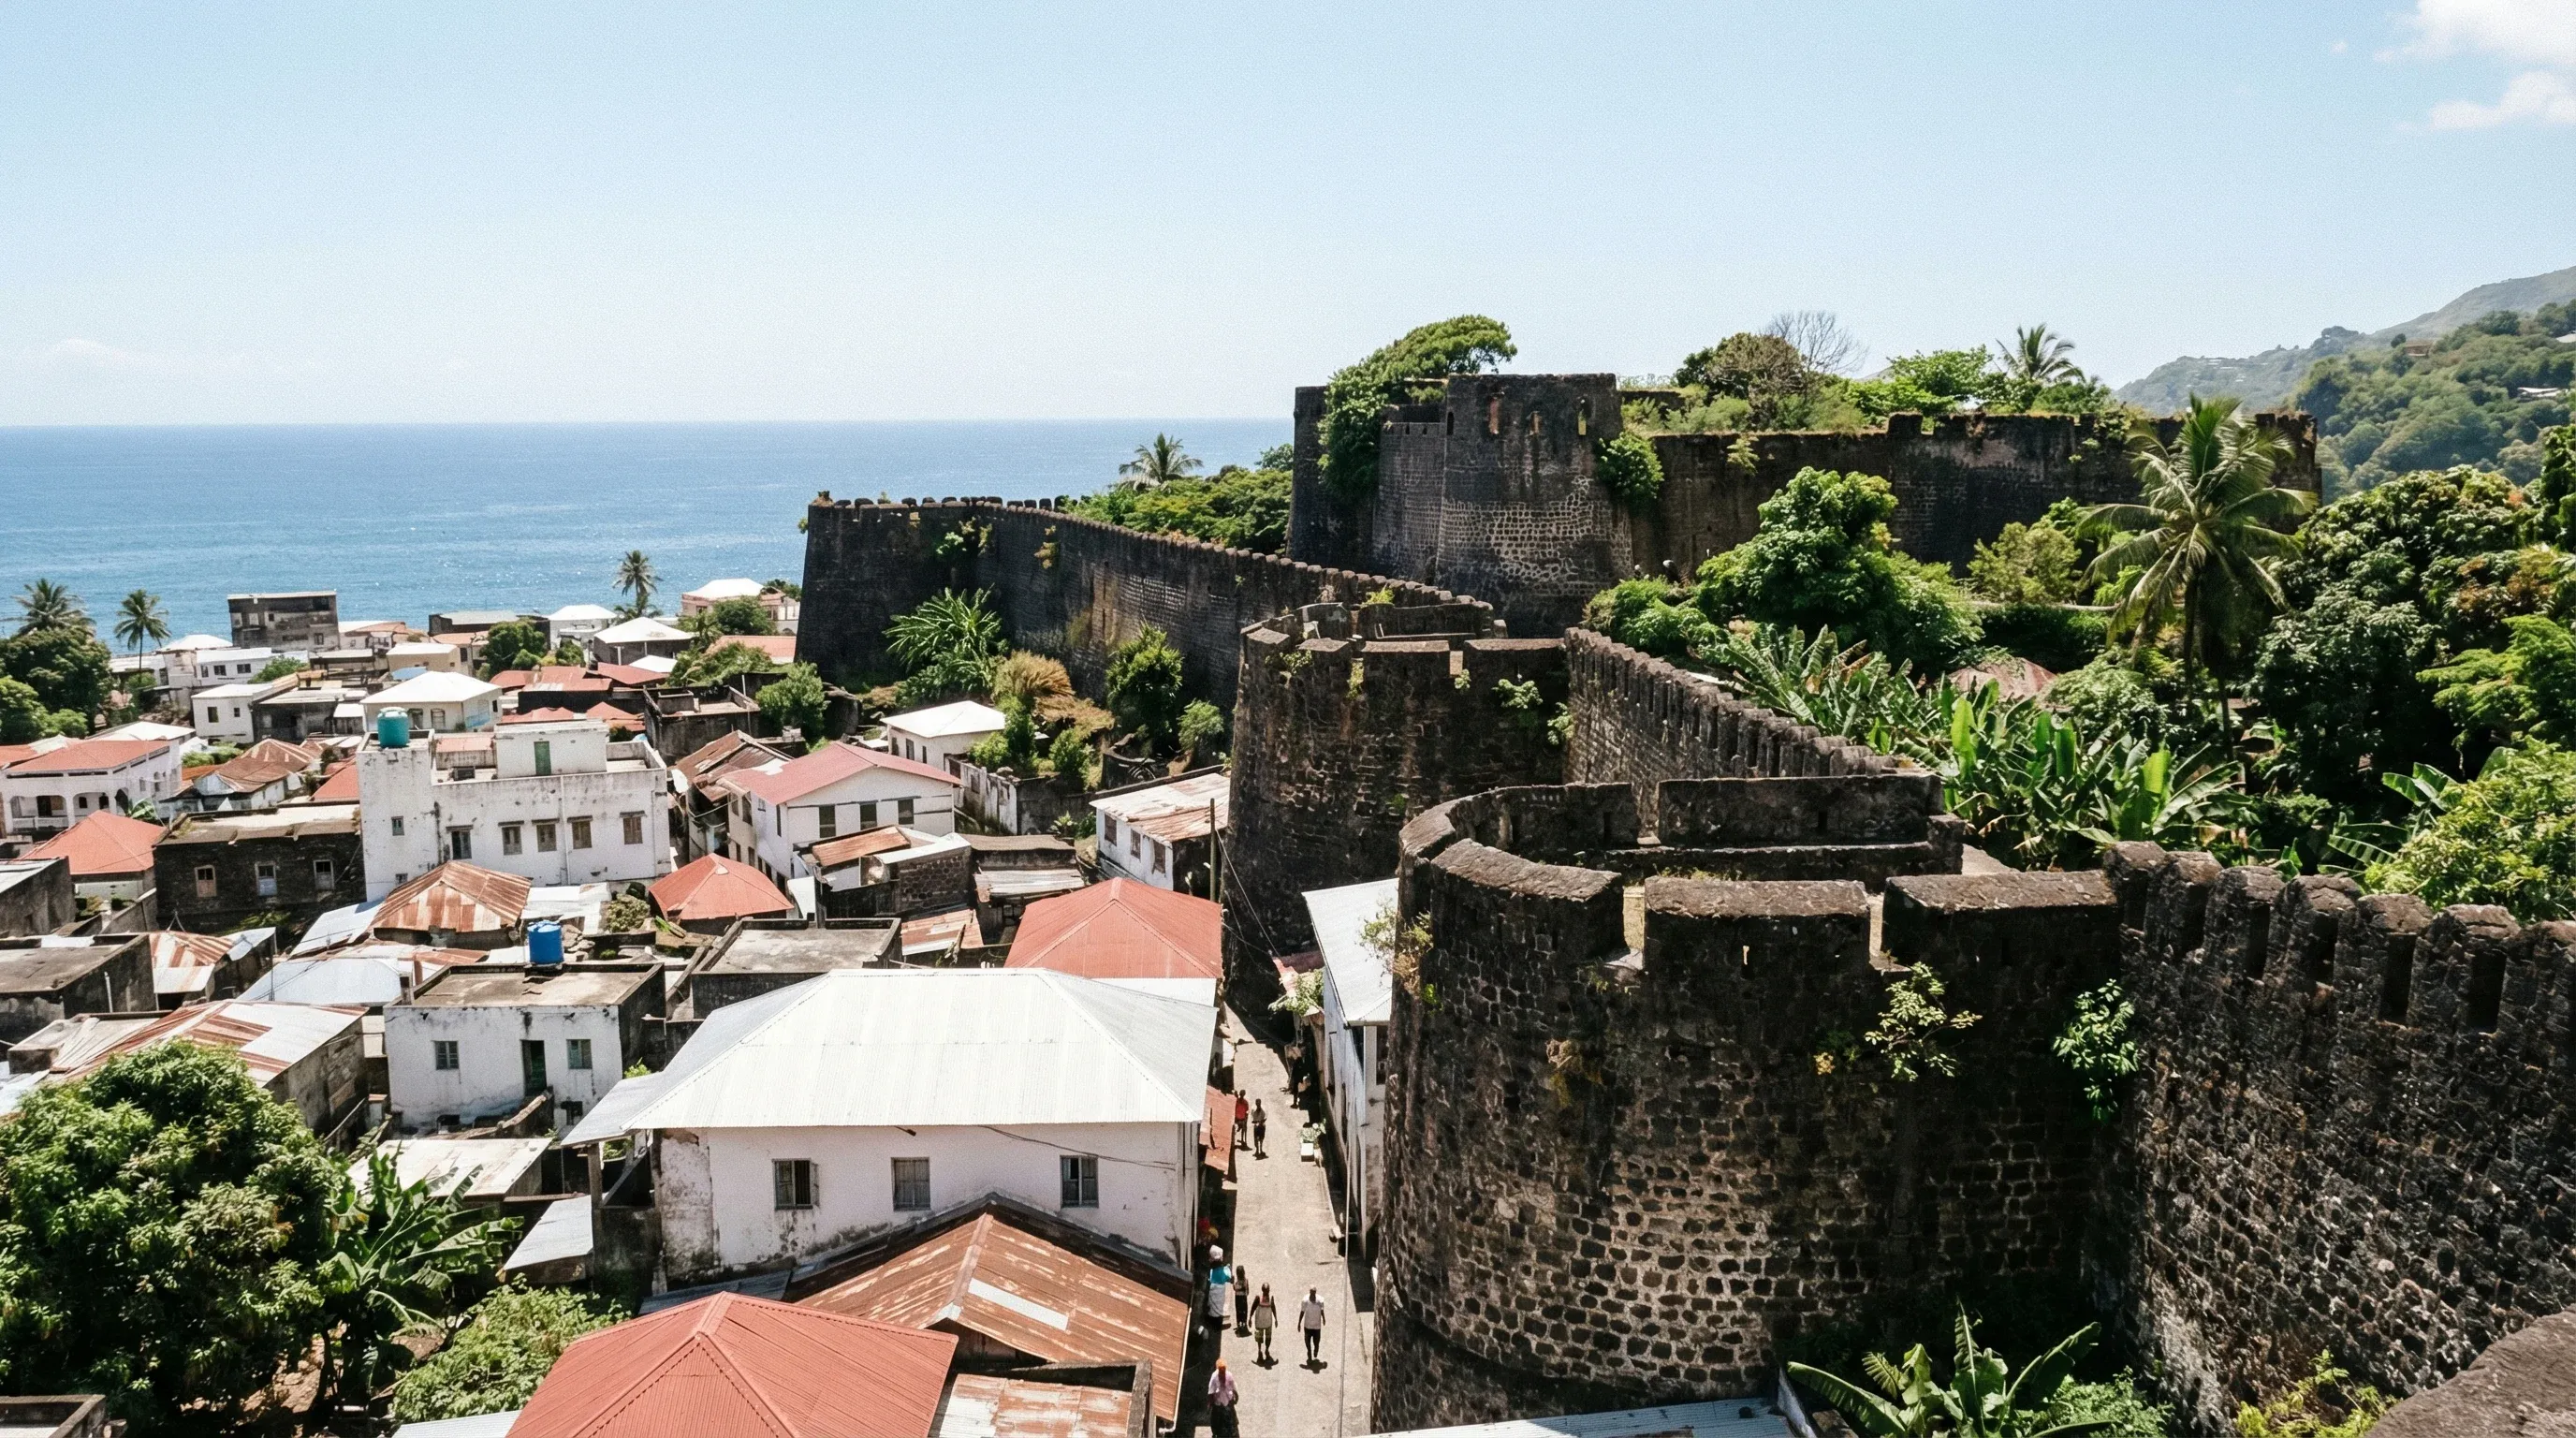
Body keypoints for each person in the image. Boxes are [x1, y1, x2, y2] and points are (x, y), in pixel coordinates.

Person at [1207, 1359, 1239, 1438]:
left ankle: (1233, 1432)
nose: (1222, 1374)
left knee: (1232, 1419)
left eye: (1223, 1371)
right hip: (1218, 1402)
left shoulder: (1229, 1375)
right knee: (1215, 1420)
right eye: (1221, 1372)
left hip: (1228, 1400)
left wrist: (1236, 1397)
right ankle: (1215, 1433)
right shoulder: (1214, 1377)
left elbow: (1234, 1387)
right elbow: (1211, 1392)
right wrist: (1210, 1404)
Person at [1205, 1247, 1232, 1337]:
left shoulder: (1211, 1272)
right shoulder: (1223, 1272)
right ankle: (1217, 1324)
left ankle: (1211, 1319)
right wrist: (1228, 1268)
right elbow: (1228, 1276)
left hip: (1212, 1290)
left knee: (1213, 1305)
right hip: (1220, 1290)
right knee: (1219, 1305)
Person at [1250, 1284, 1278, 1363]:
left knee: (1268, 1338)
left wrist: (1276, 1319)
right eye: (1265, 1291)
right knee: (1259, 1338)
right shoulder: (1258, 1298)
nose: (1266, 1293)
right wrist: (1250, 1318)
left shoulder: (1271, 1298)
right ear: (1262, 1290)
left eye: (1267, 1291)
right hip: (1259, 1322)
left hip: (1268, 1322)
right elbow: (1253, 1307)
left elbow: (1273, 1307)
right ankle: (1259, 1351)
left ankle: (1266, 1350)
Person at [1298, 1285, 1327, 1366]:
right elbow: (1302, 1311)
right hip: (1307, 1325)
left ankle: (1316, 1349)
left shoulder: (1320, 1301)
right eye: (1311, 1292)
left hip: (1317, 1326)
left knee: (1316, 1342)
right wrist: (1299, 1323)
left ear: (1315, 1292)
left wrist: (1324, 1319)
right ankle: (1309, 1353)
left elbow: (1322, 1311)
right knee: (1307, 1341)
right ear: (1310, 1292)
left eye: (1314, 1292)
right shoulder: (1305, 1300)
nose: (1312, 1294)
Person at [1234, 1261, 1251, 1332]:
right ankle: (1244, 1324)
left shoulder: (1236, 1282)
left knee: (1238, 1311)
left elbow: (1234, 1288)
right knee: (1244, 1311)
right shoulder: (1246, 1280)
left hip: (1237, 1298)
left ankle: (1239, 1325)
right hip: (1244, 1298)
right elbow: (1248, 1291)